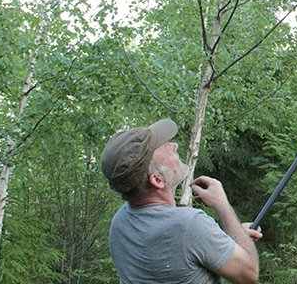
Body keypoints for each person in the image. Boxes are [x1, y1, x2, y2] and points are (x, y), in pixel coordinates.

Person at [100, 118, 261, 284]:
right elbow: (249, 275)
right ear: (157, 180)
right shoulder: (190, 225)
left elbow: (178, 250)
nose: (175, 145)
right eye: (166, 148)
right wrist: (222, 204)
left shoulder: (120, 223)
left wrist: (222, 240)